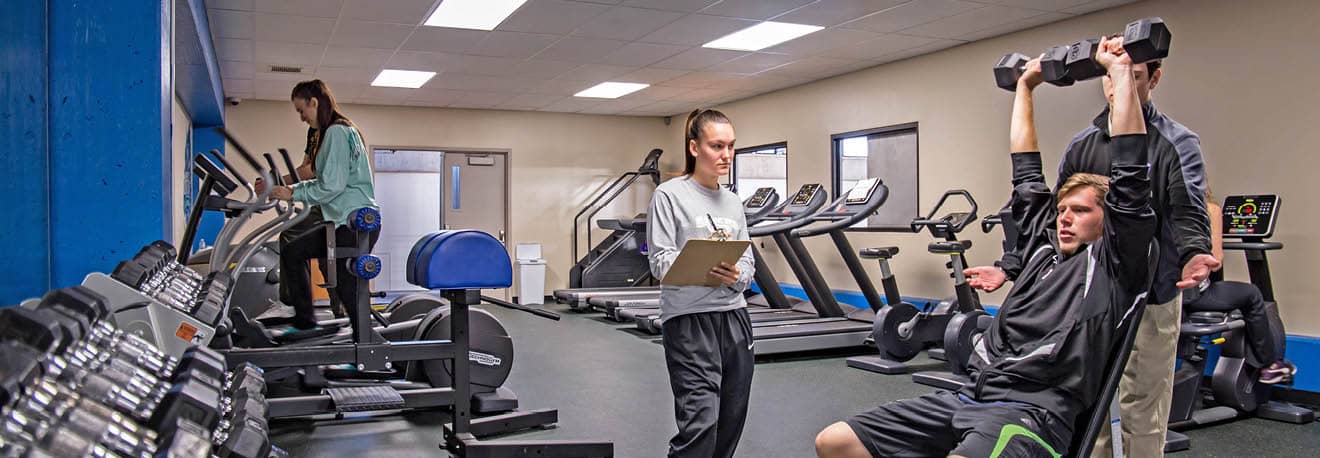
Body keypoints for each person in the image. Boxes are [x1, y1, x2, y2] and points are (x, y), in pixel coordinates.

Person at [816, 36, 1157, 458]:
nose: (1065, 217)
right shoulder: (1041, 252)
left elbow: (1130, 173)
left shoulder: (1112, 264)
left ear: (1109, 221)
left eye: (1081, 211)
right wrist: (1024, 88)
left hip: (1032, 413)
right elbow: (1026, 170)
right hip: (969, 395)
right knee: (835, 442)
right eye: (1062, 209)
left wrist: (1121, 71)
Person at [966, 28, 1220, 457]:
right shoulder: (1082, 144)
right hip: (1091, 295)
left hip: (1152, 292)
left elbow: (1188, 206)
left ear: (1153, 80)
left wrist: (1196, 252)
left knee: (1142, 405)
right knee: (1090, 400)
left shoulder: (1177, 142)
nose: (1118, 84)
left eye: (1132, 75)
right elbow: (1051, 216)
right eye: (1110, 75)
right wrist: (1010, 266)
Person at [648, 108, 756, 458]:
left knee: (729, 421)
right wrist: (701, 266)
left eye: (731, 146)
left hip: (735, 319)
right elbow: (659, 261)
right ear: (695, 148)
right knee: (701, 422)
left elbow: (749, 262)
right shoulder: (669, 195)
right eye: (717, 146)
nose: (726, 155)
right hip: (689, 321)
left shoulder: (734, 202)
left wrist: (737, 276)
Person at [259, 79, 379, 333]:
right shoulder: (330, 132)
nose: (301, 117)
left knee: (348, 288)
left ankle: (366, 348)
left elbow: (330, 186)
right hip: (340, 221)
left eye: (302, 110)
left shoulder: (336, 131)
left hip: (352, 222)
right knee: (293, 252)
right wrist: (287, 189)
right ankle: (305, 320)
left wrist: (290, 192)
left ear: (314, 102)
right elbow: (314, 172)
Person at [1183, 189, 1296, 383]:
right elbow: (1216, 259)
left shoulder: (1159, 210)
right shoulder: (1210, 210)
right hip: (1193, 295)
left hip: (1160, 295)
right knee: (1252, 293)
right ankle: (1270, 365)